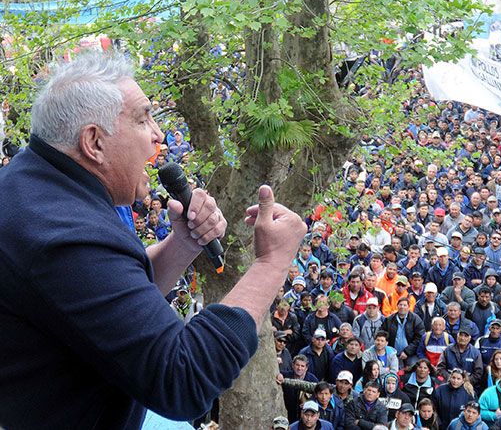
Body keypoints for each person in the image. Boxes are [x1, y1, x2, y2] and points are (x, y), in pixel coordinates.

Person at [0, 53, 308, 427]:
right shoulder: (64, 234)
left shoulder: (34, 186)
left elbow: (99, 297)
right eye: (143, 118)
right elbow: (185, 379)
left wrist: (182, 245)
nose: (159, 134)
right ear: (94, 142)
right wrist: (271, 264)